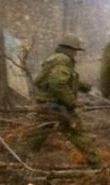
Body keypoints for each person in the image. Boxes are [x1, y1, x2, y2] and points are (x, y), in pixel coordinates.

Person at [21, 34, 102, 167]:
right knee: (77, 134)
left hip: (48, 104)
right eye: (76, 51)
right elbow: (58, 83)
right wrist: (72, 101)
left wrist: (85, 88)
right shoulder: (63, 60)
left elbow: (64, 80)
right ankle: (97, 164)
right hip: (58, 106)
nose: (76, 54)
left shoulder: (56, 59)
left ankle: (17, 160)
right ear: (70, 49)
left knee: (35, 135)